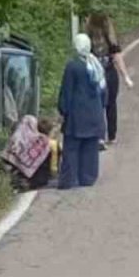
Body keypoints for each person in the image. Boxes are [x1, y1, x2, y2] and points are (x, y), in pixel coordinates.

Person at [58, 34, 107, 189]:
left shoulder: (73, 66)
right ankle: (88, 177)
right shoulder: (95, 64)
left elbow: (67, 91)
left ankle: (69, 179)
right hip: (95, 113)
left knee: (71, 147)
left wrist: (63, 110)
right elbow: (104, 90)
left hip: (77, 115)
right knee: (90, 147)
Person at [85, 11, 134, 148]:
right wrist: (126, 77)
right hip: (109, 72)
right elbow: (117, 57)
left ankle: (99, 136)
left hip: (93, 75)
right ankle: (111, 136)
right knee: (111, 104)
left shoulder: (87, 37)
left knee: (96, 105)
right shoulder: (109, 37)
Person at [1, 115, 52, 190]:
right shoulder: (44, 143)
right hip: (24, 168)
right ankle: (23, 182)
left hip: (9, 156)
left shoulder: (26, 125)